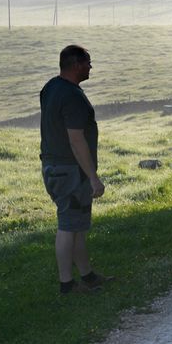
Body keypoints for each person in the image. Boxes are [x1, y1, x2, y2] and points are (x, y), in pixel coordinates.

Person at [40, 44, 112, 295]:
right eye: (88, 62)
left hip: (53, 166)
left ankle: (88, 276)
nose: (91, 67)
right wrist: (93, 178)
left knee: (77, 224)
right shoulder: (72, 96)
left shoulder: (51, 87)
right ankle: (67, 285)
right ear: (76, 65)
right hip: (70, 170)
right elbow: (76, 139)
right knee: (68, 226)